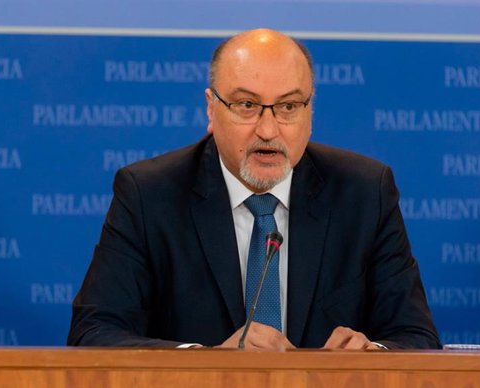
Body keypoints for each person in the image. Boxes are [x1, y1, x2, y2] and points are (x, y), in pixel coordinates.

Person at [68, 28, 441, 350]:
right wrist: (207, 361)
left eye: (288, 106)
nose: (268, 129)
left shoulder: (364, 193)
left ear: (310, 112)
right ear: (211, 110)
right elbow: (93, 333)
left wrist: (370, 353)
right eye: (247, 105)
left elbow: (416, 337)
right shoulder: (149, 194)